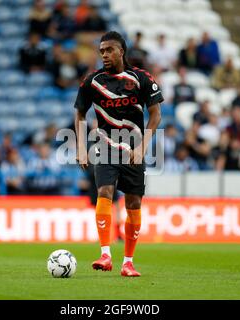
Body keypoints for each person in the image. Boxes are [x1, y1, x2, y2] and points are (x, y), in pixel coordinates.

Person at [74, 31, 163, 277]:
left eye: (109, 50)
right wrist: (81, 147)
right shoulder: (92, 81)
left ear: (121, 51)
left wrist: (143, 147)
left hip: (134, 148)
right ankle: (105, 254)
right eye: (101, 51)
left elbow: (155, 115)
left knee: (134, 203)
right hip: (105, 147)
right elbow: (80, 113)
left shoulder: (141, 79)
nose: (104, 55)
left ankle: (128, 262)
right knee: (105, 192)